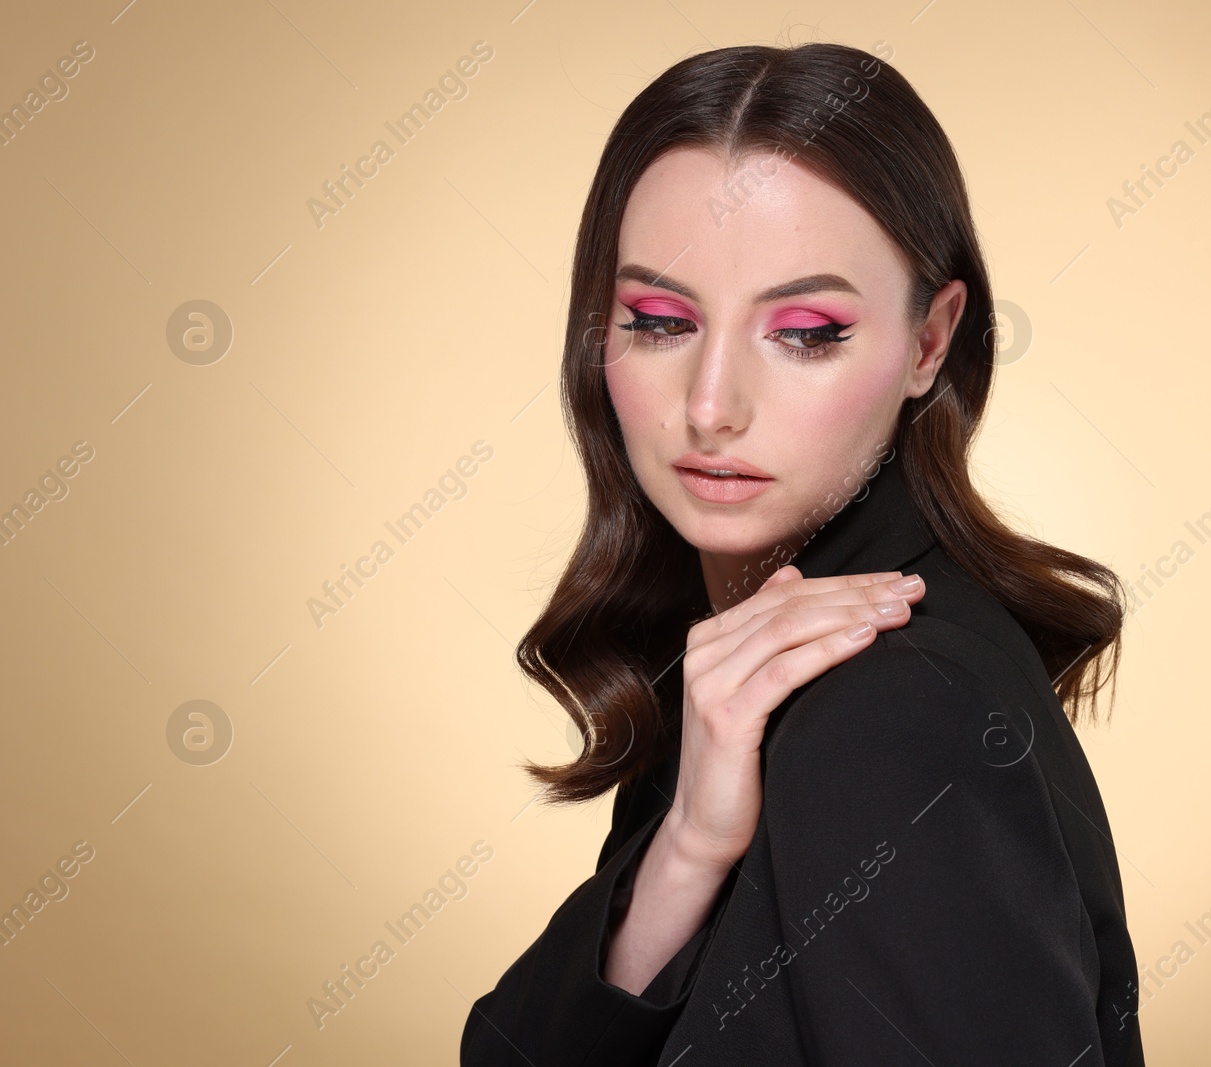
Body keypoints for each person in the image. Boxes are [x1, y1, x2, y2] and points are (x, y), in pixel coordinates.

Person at [461, 40, 1142, 1066]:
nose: (710, 405)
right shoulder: (734, 677)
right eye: (658, 319)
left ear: (929, 342)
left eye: (807, 330)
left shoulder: (889, 710)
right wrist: (688, 844)